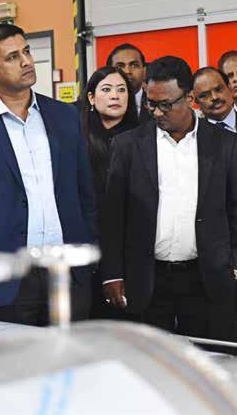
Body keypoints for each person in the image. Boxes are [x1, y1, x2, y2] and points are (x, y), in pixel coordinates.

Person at [0, 23, 96, 325]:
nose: (26, 61)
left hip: (67, 273)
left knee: (70, 354)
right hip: (5, 280)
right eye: (13, 57)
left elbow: (85, 194)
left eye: (27, 52)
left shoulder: (65, 116)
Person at [100, 56, 237, 341]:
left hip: (207, 277)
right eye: (151, 104)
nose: (157, 113)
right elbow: (113, 216)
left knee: (212, 359)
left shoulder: (223, 144)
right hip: (147, 278)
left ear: (190, 99)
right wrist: (112, 273)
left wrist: (234, 264)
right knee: (151, 361)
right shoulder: (128, 146)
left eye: (165, 105)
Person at [191, 66, 237, 346]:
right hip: (218, 249)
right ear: (195, 102)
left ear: (228, 88)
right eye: (204, 95)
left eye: (218, 89)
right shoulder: (192, 139)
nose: (214, 98)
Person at [80, 65, 139, 319]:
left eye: (121, 90)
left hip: (132, 252)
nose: (115, 96)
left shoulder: (144, 138)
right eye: (106, 89)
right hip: (88, 251)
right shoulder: (77, 140)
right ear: (91, 98)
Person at [107, 43, 150, 122]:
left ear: (144, 71)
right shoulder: (98, 106)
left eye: (134, 65)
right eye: (120, 66)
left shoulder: (156, 104)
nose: (127, 71)